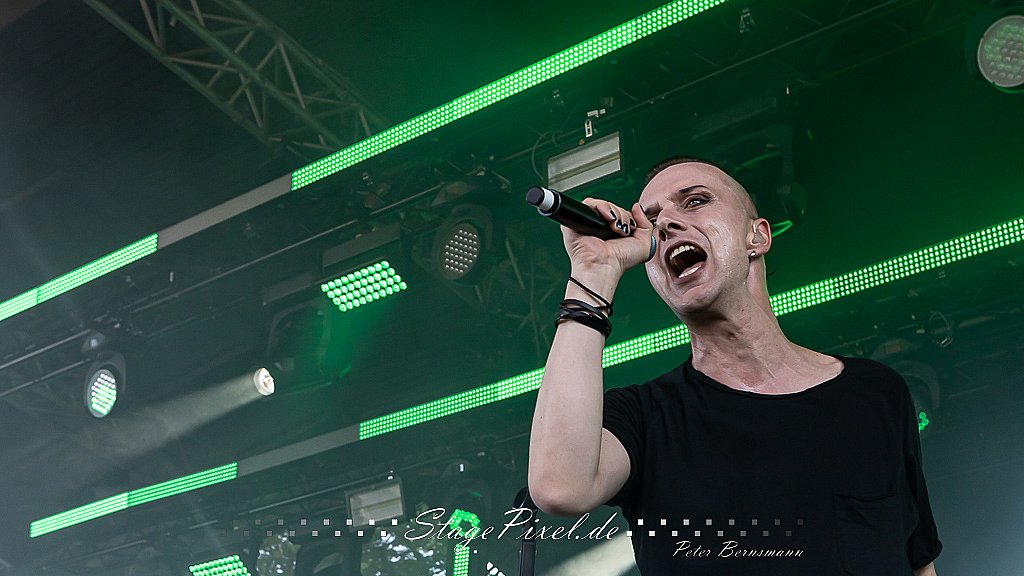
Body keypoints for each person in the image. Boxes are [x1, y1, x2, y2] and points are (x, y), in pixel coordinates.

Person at [527, 157, 942, 575]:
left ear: (756, 236)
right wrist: (594, 271)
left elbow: (918, 561)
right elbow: (560, 488)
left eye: (694, 201)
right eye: (651, 221)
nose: (665, 223)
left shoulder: (875, 392)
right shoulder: (646, 417)